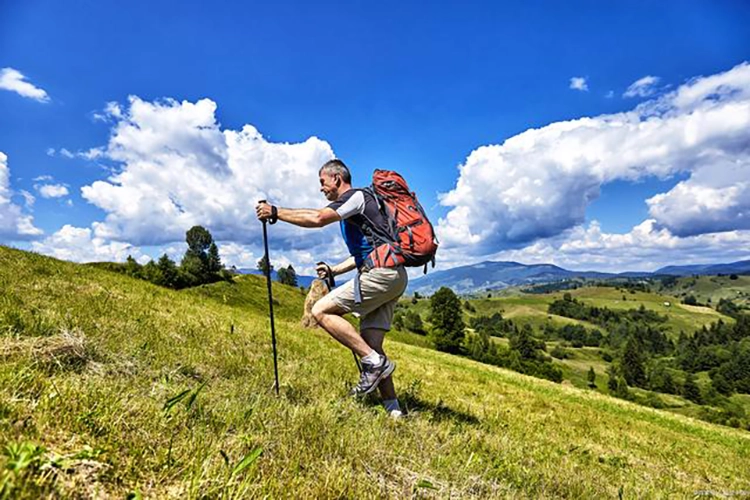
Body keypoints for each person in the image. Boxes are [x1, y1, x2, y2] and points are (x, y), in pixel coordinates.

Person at [255, 159, 407, 417]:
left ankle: (374, 363)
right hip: (393, 275)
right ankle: (394, 411)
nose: (321, 188)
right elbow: (364, 255)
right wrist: (335, 270)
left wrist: (276, 212)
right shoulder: (364, 208)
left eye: (322, 182)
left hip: (380, 274)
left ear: (336, 178)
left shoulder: (355, 197)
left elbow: (317, 217)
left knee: (321, 311)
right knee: (370, 344)